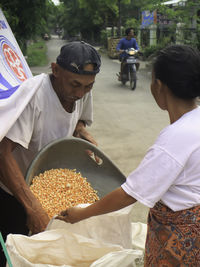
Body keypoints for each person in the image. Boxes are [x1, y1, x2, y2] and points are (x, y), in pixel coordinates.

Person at [57, 44, 200, 266]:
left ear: (158, 86)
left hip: (181, 236)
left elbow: (129, 193)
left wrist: (82, 213)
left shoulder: (174, 139)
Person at [0, 41, 101, 266]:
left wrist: (82, 132)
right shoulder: (34, 97)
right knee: (12, 252)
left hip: (45, 185)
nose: (80, 93)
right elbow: (3, 153)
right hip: (13, 191)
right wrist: (32, 206)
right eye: (75, 85)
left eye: (88, 87)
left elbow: (79, 120)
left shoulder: (81, 90)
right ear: (55, 70)